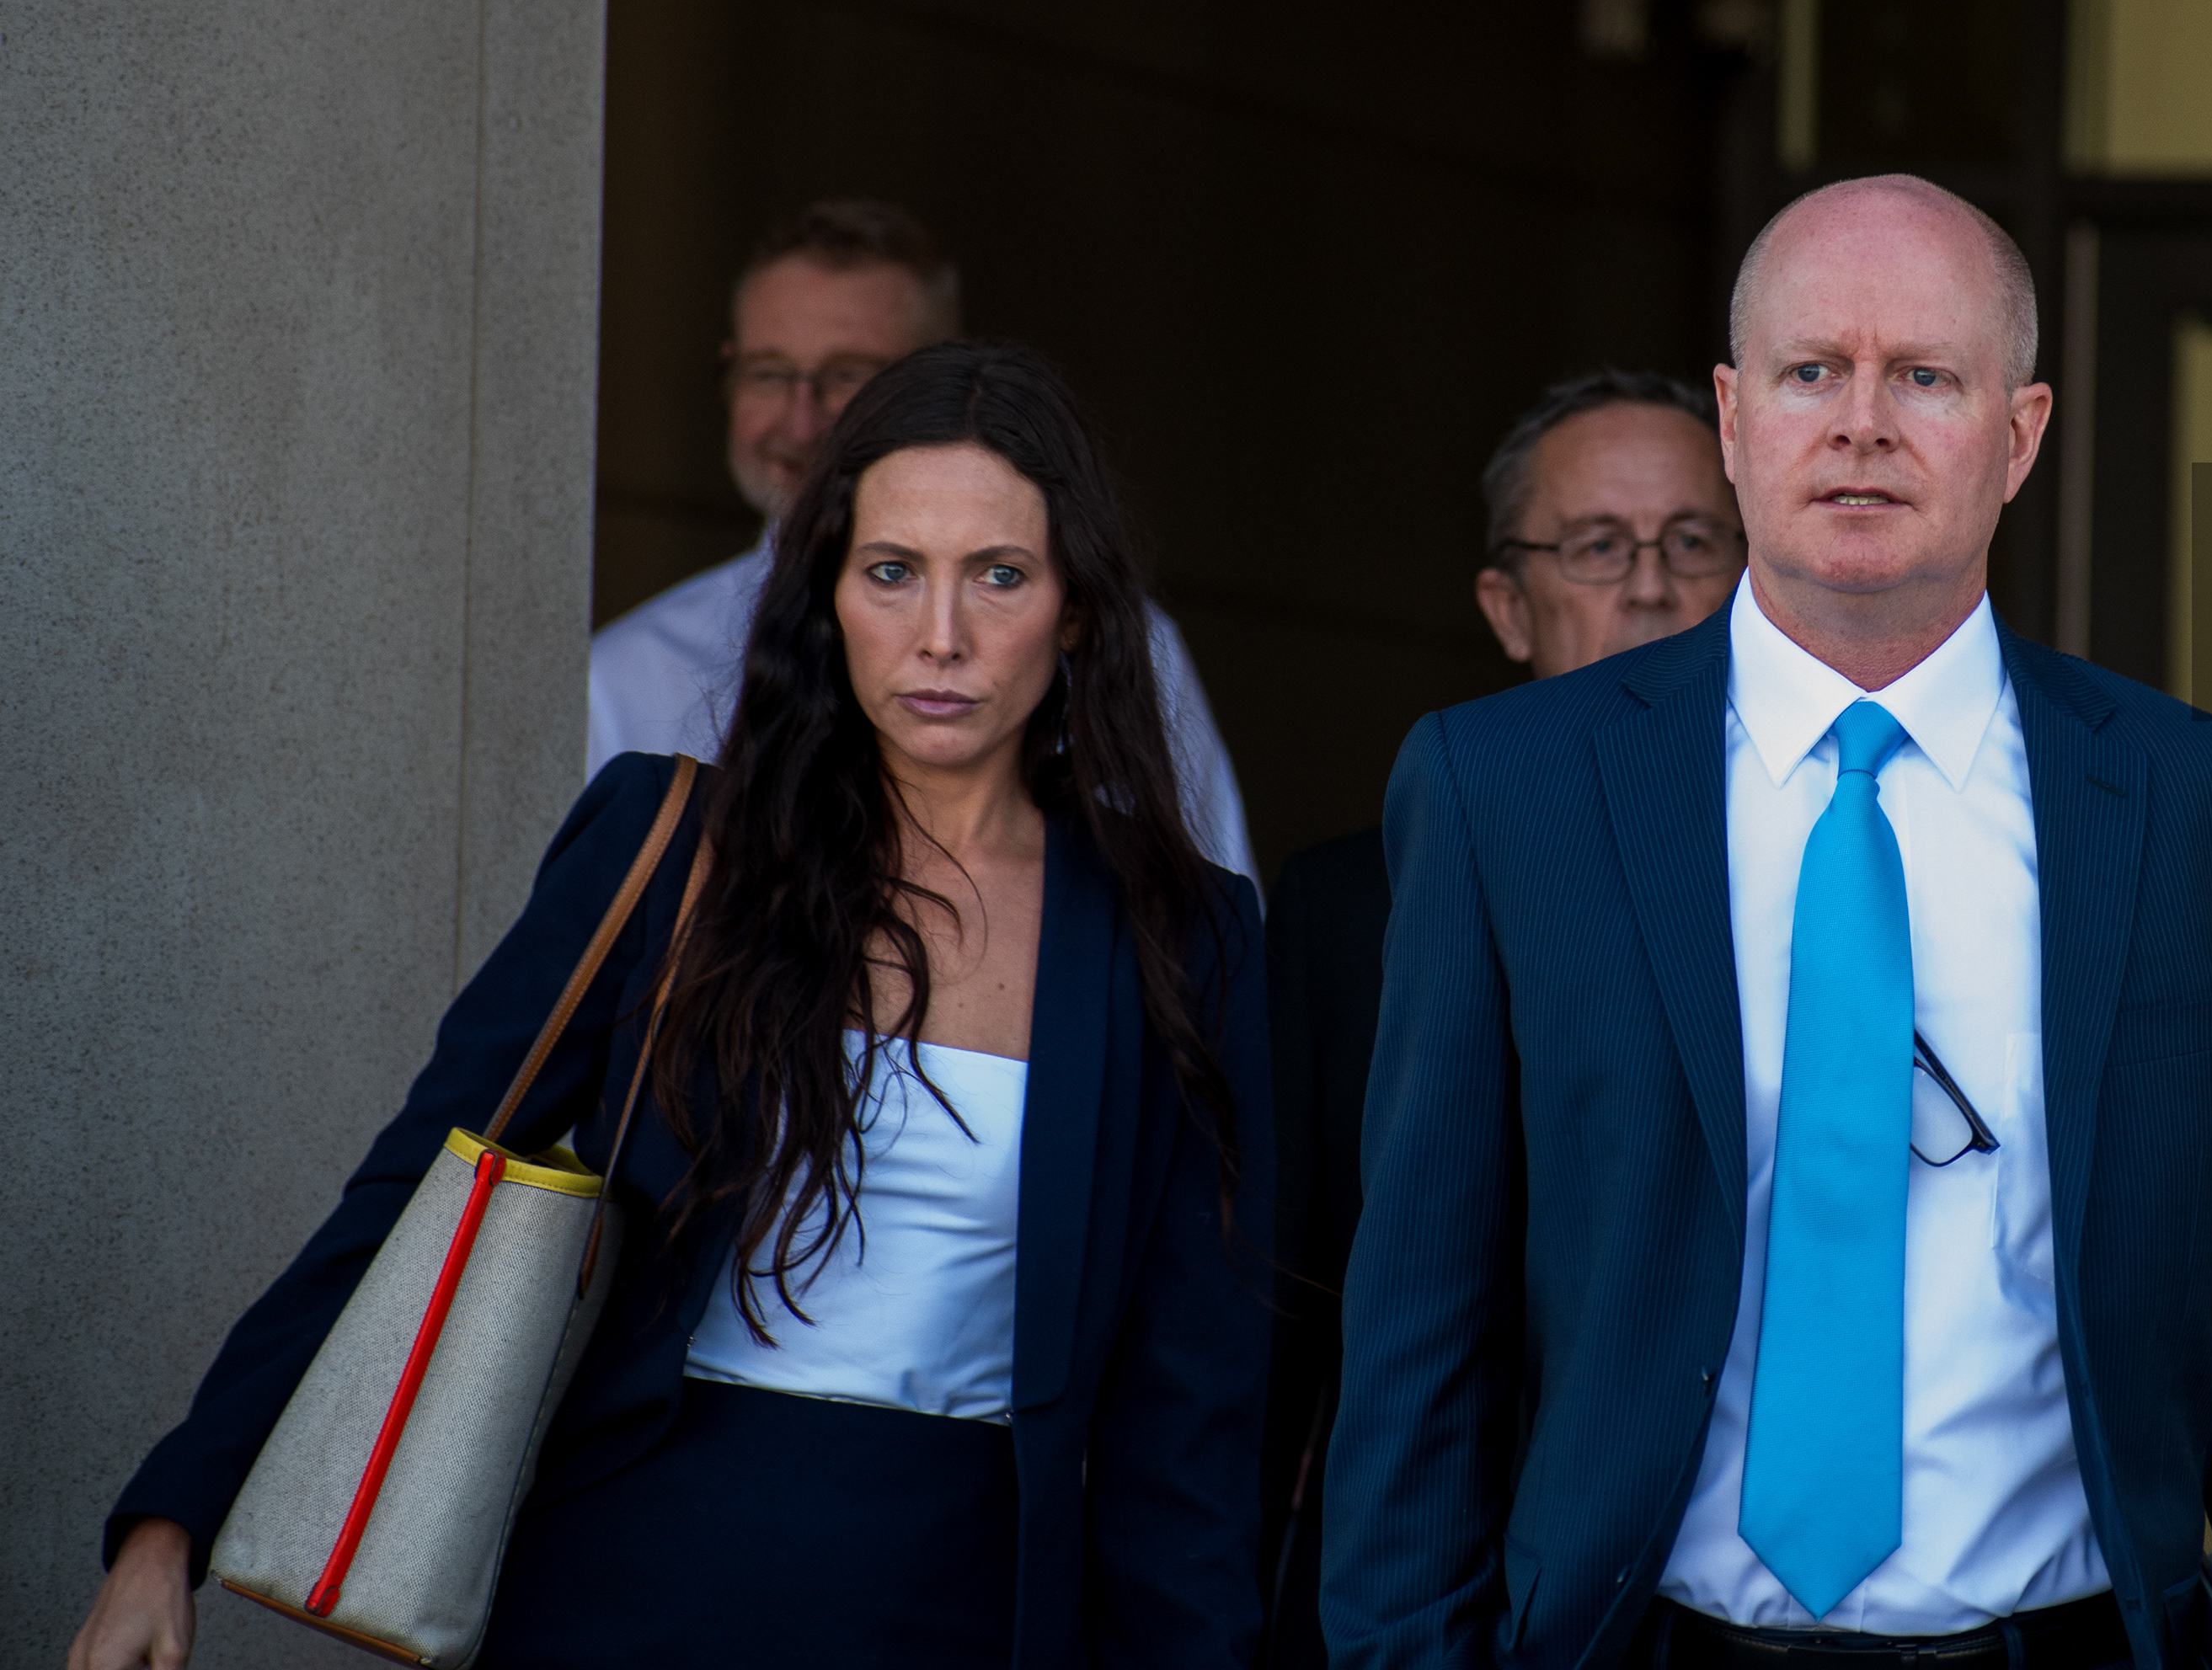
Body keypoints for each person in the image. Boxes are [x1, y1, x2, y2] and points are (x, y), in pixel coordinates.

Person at [1322, 174, 2212, 1668]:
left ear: (2021, 432)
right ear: (1732, 417)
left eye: (1923, 376)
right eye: (1809, 372)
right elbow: (1418, 1336)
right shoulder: (1506, 791)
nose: (1860, 423)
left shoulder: (2197, 810)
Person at [72, 344, 1273, 1670]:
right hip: (629, 1573)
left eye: (999, 575)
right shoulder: (667, 848)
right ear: (827, 592)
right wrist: (171, 1518)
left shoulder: (1182, 937)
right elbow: (420, 1183)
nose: (944, 636)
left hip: (964, 1604)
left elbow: (1192, 1410)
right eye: (892, 572)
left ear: (1081, 610)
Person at [1260, 371, 1741, 1664]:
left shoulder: (1849, 864)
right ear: (1505, 606)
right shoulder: (1346, 906)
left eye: (1695, 542)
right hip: (1438, 1602)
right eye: (1596, 548)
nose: (1650, 587)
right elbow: (1290, 1315)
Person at [589, 199, 1254, 881]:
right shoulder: (620, 678)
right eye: (769, 373)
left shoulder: (1125, 641)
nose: (802, 419)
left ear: (946, 385)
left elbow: (1198, 919)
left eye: (850, 375)